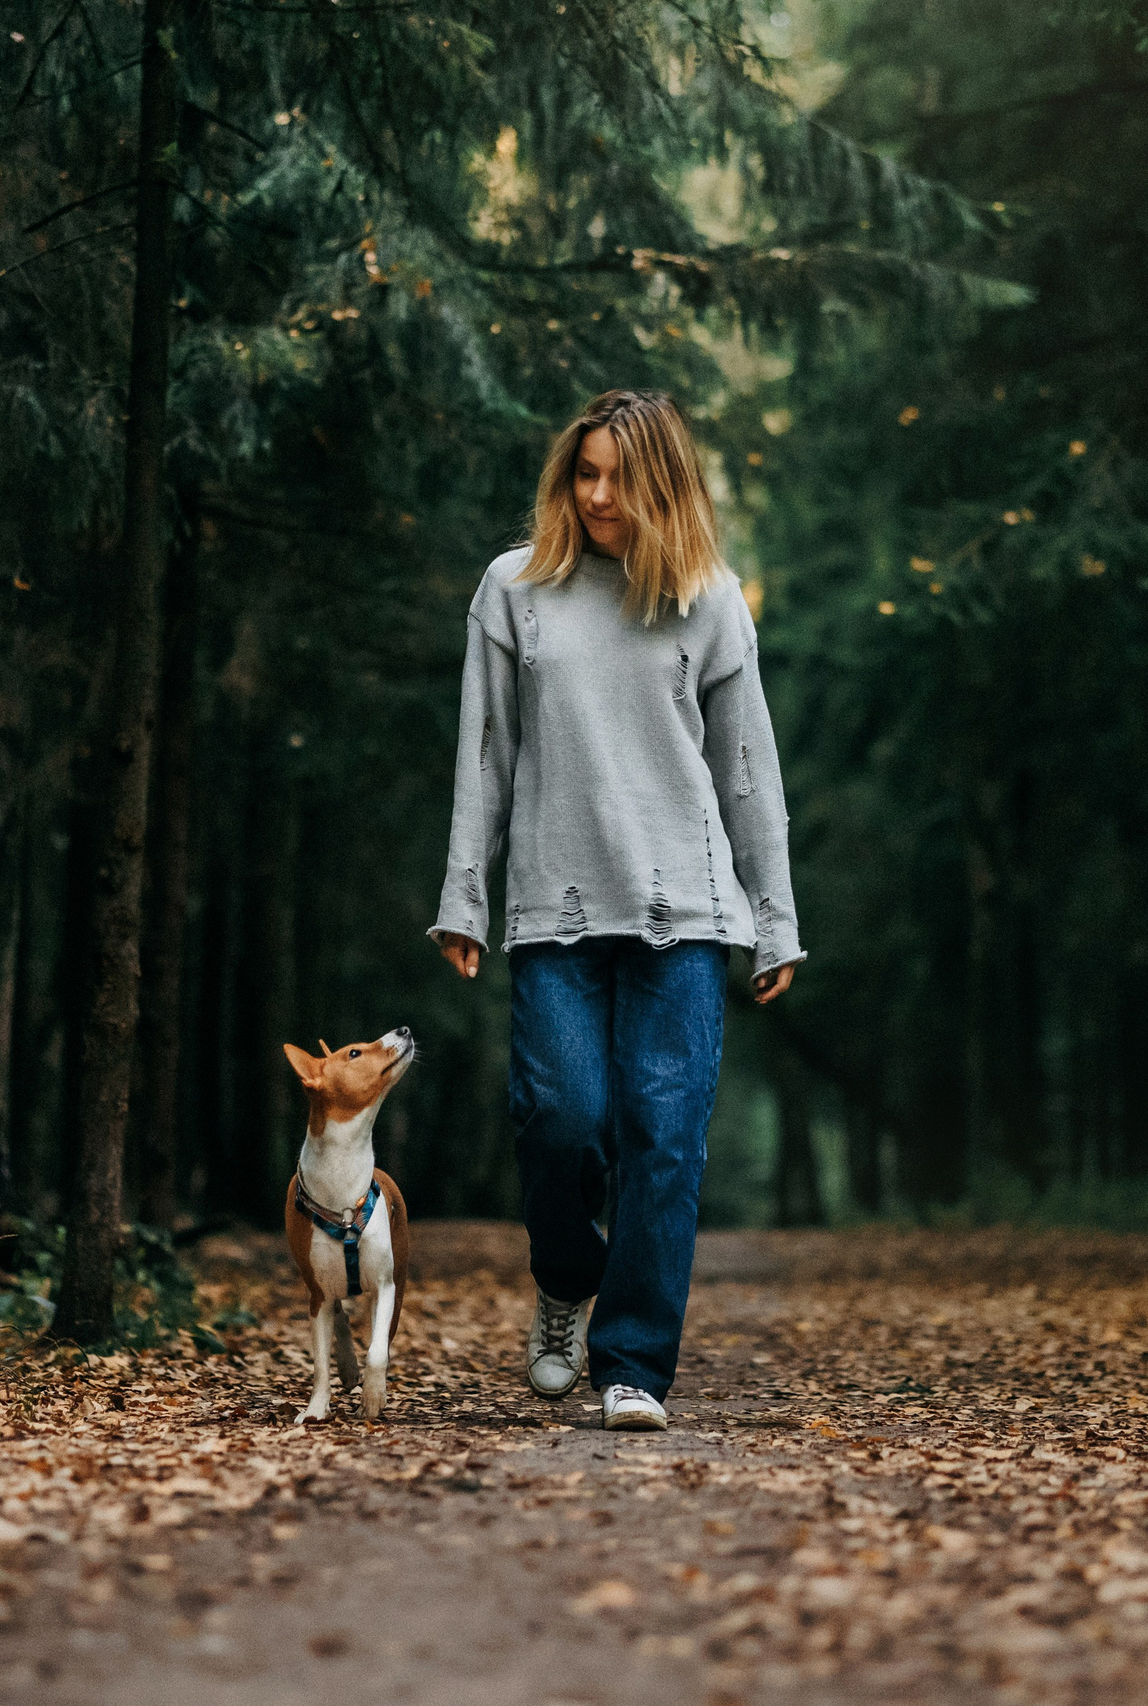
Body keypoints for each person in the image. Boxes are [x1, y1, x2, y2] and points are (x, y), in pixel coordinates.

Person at [429, 389, 805, 1433]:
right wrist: (464, 892)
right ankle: (563, 1275)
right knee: (562, 1120)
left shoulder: (712, 599)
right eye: (583, 473)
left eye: (619, 477)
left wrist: (772, 916)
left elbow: (744, 771)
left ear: (663, 484)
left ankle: (631, 1359)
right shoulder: (516, 590)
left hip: (686, 915)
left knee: (665, 1138)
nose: (598, 495)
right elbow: (486, 754)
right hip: (554, 906)